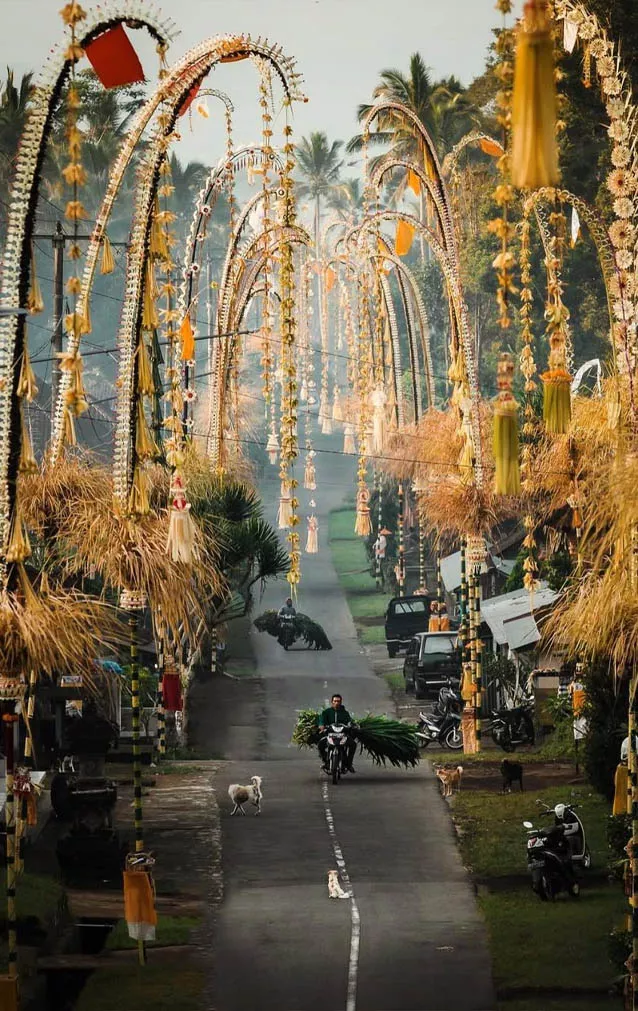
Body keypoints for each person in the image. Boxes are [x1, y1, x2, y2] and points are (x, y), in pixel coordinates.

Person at [317, 694, 357, 773]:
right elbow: (321, 720)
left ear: (341, 702)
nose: (336, 703)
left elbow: (349, 721)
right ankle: (326, 761)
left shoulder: (345, 713)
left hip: (342, 735)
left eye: (338, 701)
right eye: (335, 701)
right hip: (330, 735)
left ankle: (349, 764)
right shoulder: (326, 712)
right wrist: (321, 725)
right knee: (320, 744)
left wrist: (351, 725)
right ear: (332, 702)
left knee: (353, 744)